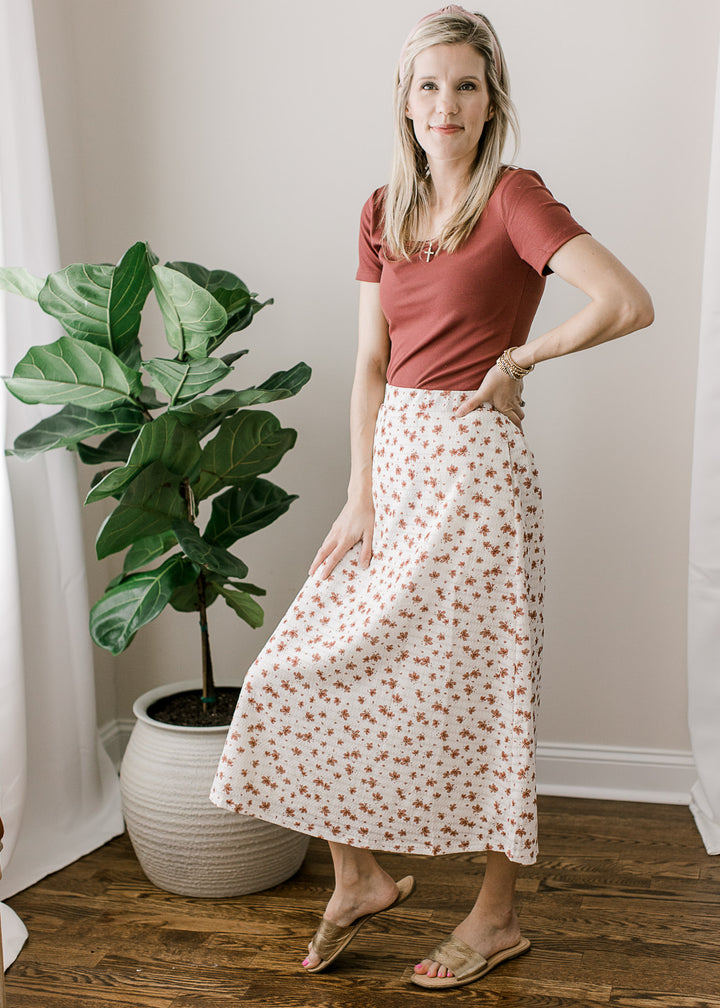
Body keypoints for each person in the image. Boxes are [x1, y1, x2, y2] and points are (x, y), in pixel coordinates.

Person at [211, 5, 653, 991]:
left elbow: (627, 301)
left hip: (478, 477)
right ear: (404, 102)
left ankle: (495, 918)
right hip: (396, 473)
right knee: (299, 668)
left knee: (489, 693)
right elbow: (371, 364)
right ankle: (359, 877)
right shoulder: (382, 210)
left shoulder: (514, 198)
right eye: (428, 85)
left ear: (491, 101)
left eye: (465, 85)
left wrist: (520, 360)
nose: (445, 103)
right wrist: (358, 494)